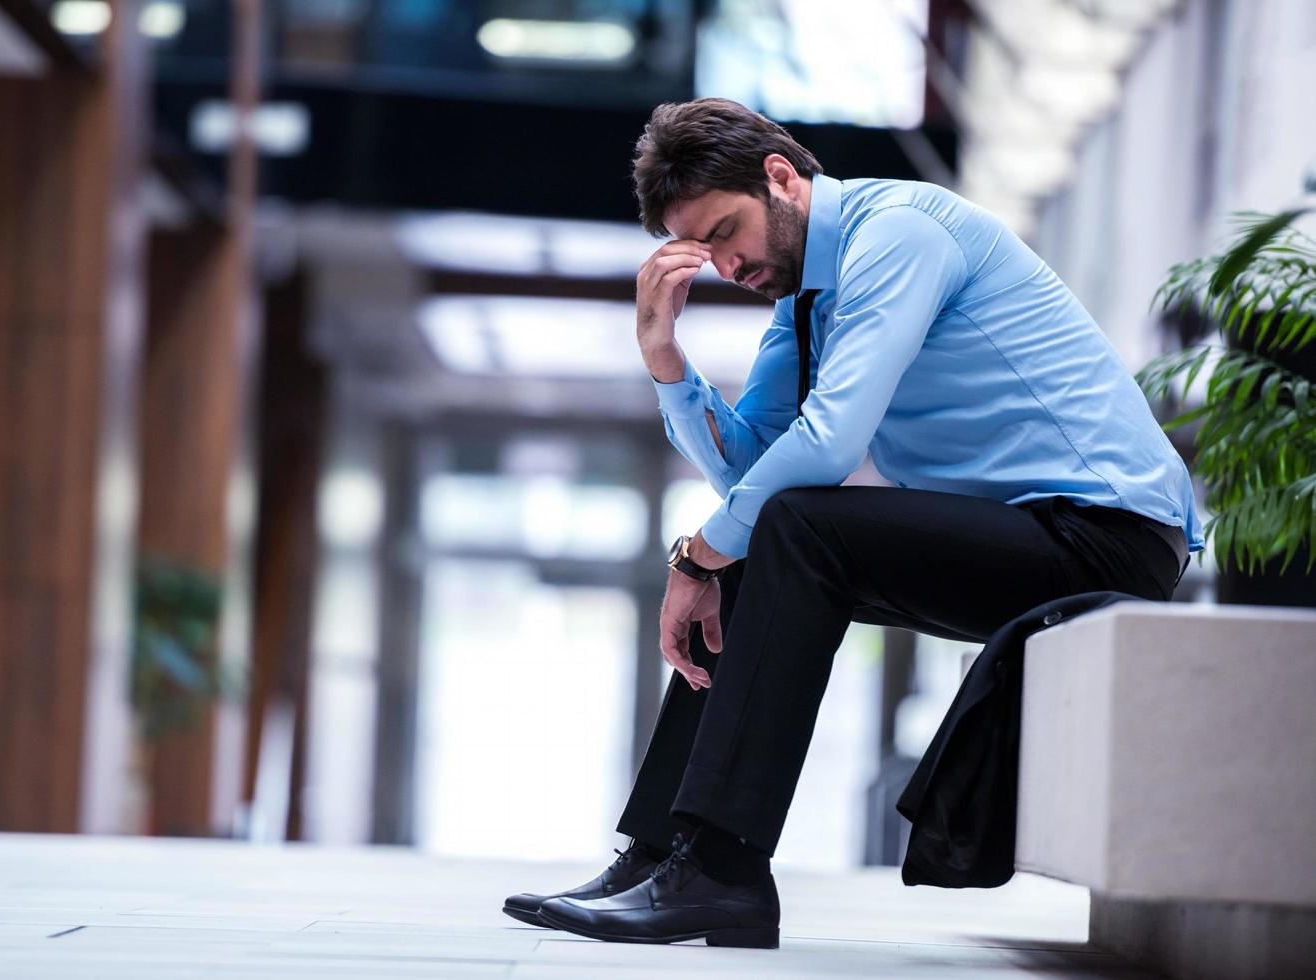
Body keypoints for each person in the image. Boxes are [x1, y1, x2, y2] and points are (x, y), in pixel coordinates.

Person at [502, 97, 1203, 949]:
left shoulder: (899, 233)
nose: (726, 265)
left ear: (781, 178)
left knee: (788, 527)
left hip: (1106, 539)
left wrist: (694, 557)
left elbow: (828, 444)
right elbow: (752, 473)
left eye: (728, 233)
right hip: (1026, 539)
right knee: (767, 533)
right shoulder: (805, 301)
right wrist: (665, 363)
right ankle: (665, 856)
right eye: (704, 251)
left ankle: (719, 870)